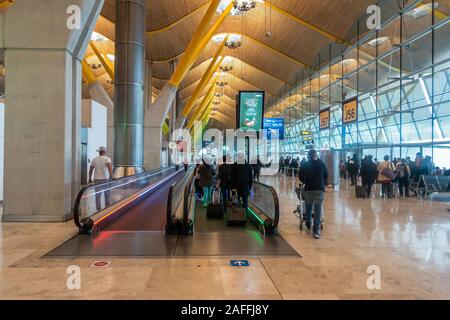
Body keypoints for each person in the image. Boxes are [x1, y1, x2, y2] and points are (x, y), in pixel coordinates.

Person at [298, 149, 328, 239]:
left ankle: (308, 223)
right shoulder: (321, 163)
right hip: (319, 189)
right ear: (316, 155)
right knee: (318, 210)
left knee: (308, 206)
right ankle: (316, 231)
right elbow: (326, 175)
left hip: (308, 189)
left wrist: (305, 181)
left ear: (308, 156)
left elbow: (300, 176)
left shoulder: (304, 164)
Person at [89, 146, 113, 211]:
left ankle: (98, 210)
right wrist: (112, 177)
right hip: (105, 179)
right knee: (107, 193)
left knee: (97, 195)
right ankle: (107, 208)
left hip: (96, 179)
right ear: (105, 152)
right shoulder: (107, 159)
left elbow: (91, 170)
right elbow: (110, 168)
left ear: (99, 152)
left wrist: (89, 178)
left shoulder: (94, 159)